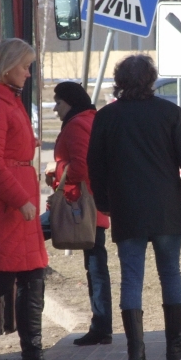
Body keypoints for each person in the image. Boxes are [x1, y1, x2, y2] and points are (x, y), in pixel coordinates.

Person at [87, 55, 181, 360]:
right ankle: (174, 347)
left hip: (127, 208)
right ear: (151, 80)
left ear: (119, 81)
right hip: (166, 208)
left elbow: (95, 166)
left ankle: (136, 353)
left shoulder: (106, 117)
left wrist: (104, 202)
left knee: (131, 278)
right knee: (170, 272)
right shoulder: (169, 113)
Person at [0, 38, 69, 360]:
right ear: (7, 66)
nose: (28, 72)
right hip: (1, 207)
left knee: (32, 276)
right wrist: (20, 199)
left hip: (14, 204)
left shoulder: (4, 98)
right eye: (25, 66)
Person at [45, 81, 113, 346]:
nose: (55, 109)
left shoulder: (75, 126)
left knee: (28, 235)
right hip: (93, 206)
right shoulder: (89, 119)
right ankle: (102, 325)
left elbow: (82, 168)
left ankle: (102, 326)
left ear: (70, 102)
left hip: (76, 208)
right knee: (97, 266)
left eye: (58, 103)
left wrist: (56, 169)